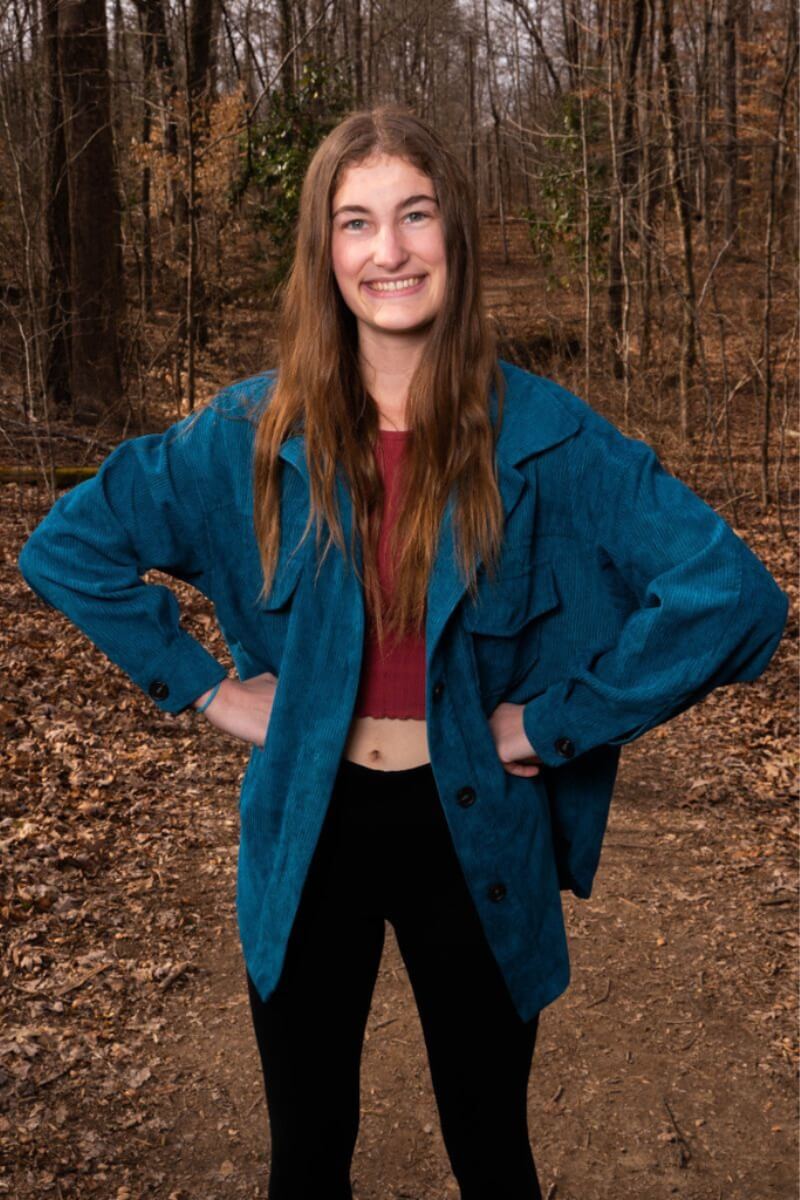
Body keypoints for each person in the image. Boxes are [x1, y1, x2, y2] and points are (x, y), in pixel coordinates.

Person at [18, 104, 789, 1200]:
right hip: (310, 819)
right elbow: (68, 547)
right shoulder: (246, 438)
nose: (389, 250)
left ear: (453, 234)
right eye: (356, 222)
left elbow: (734, 598)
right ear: (324, 252)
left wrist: (555, 721)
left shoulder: (553, 439)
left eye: (415, 215)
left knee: (489, 1149)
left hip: (473, 825)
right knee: (306, 1156)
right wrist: (210, 692)